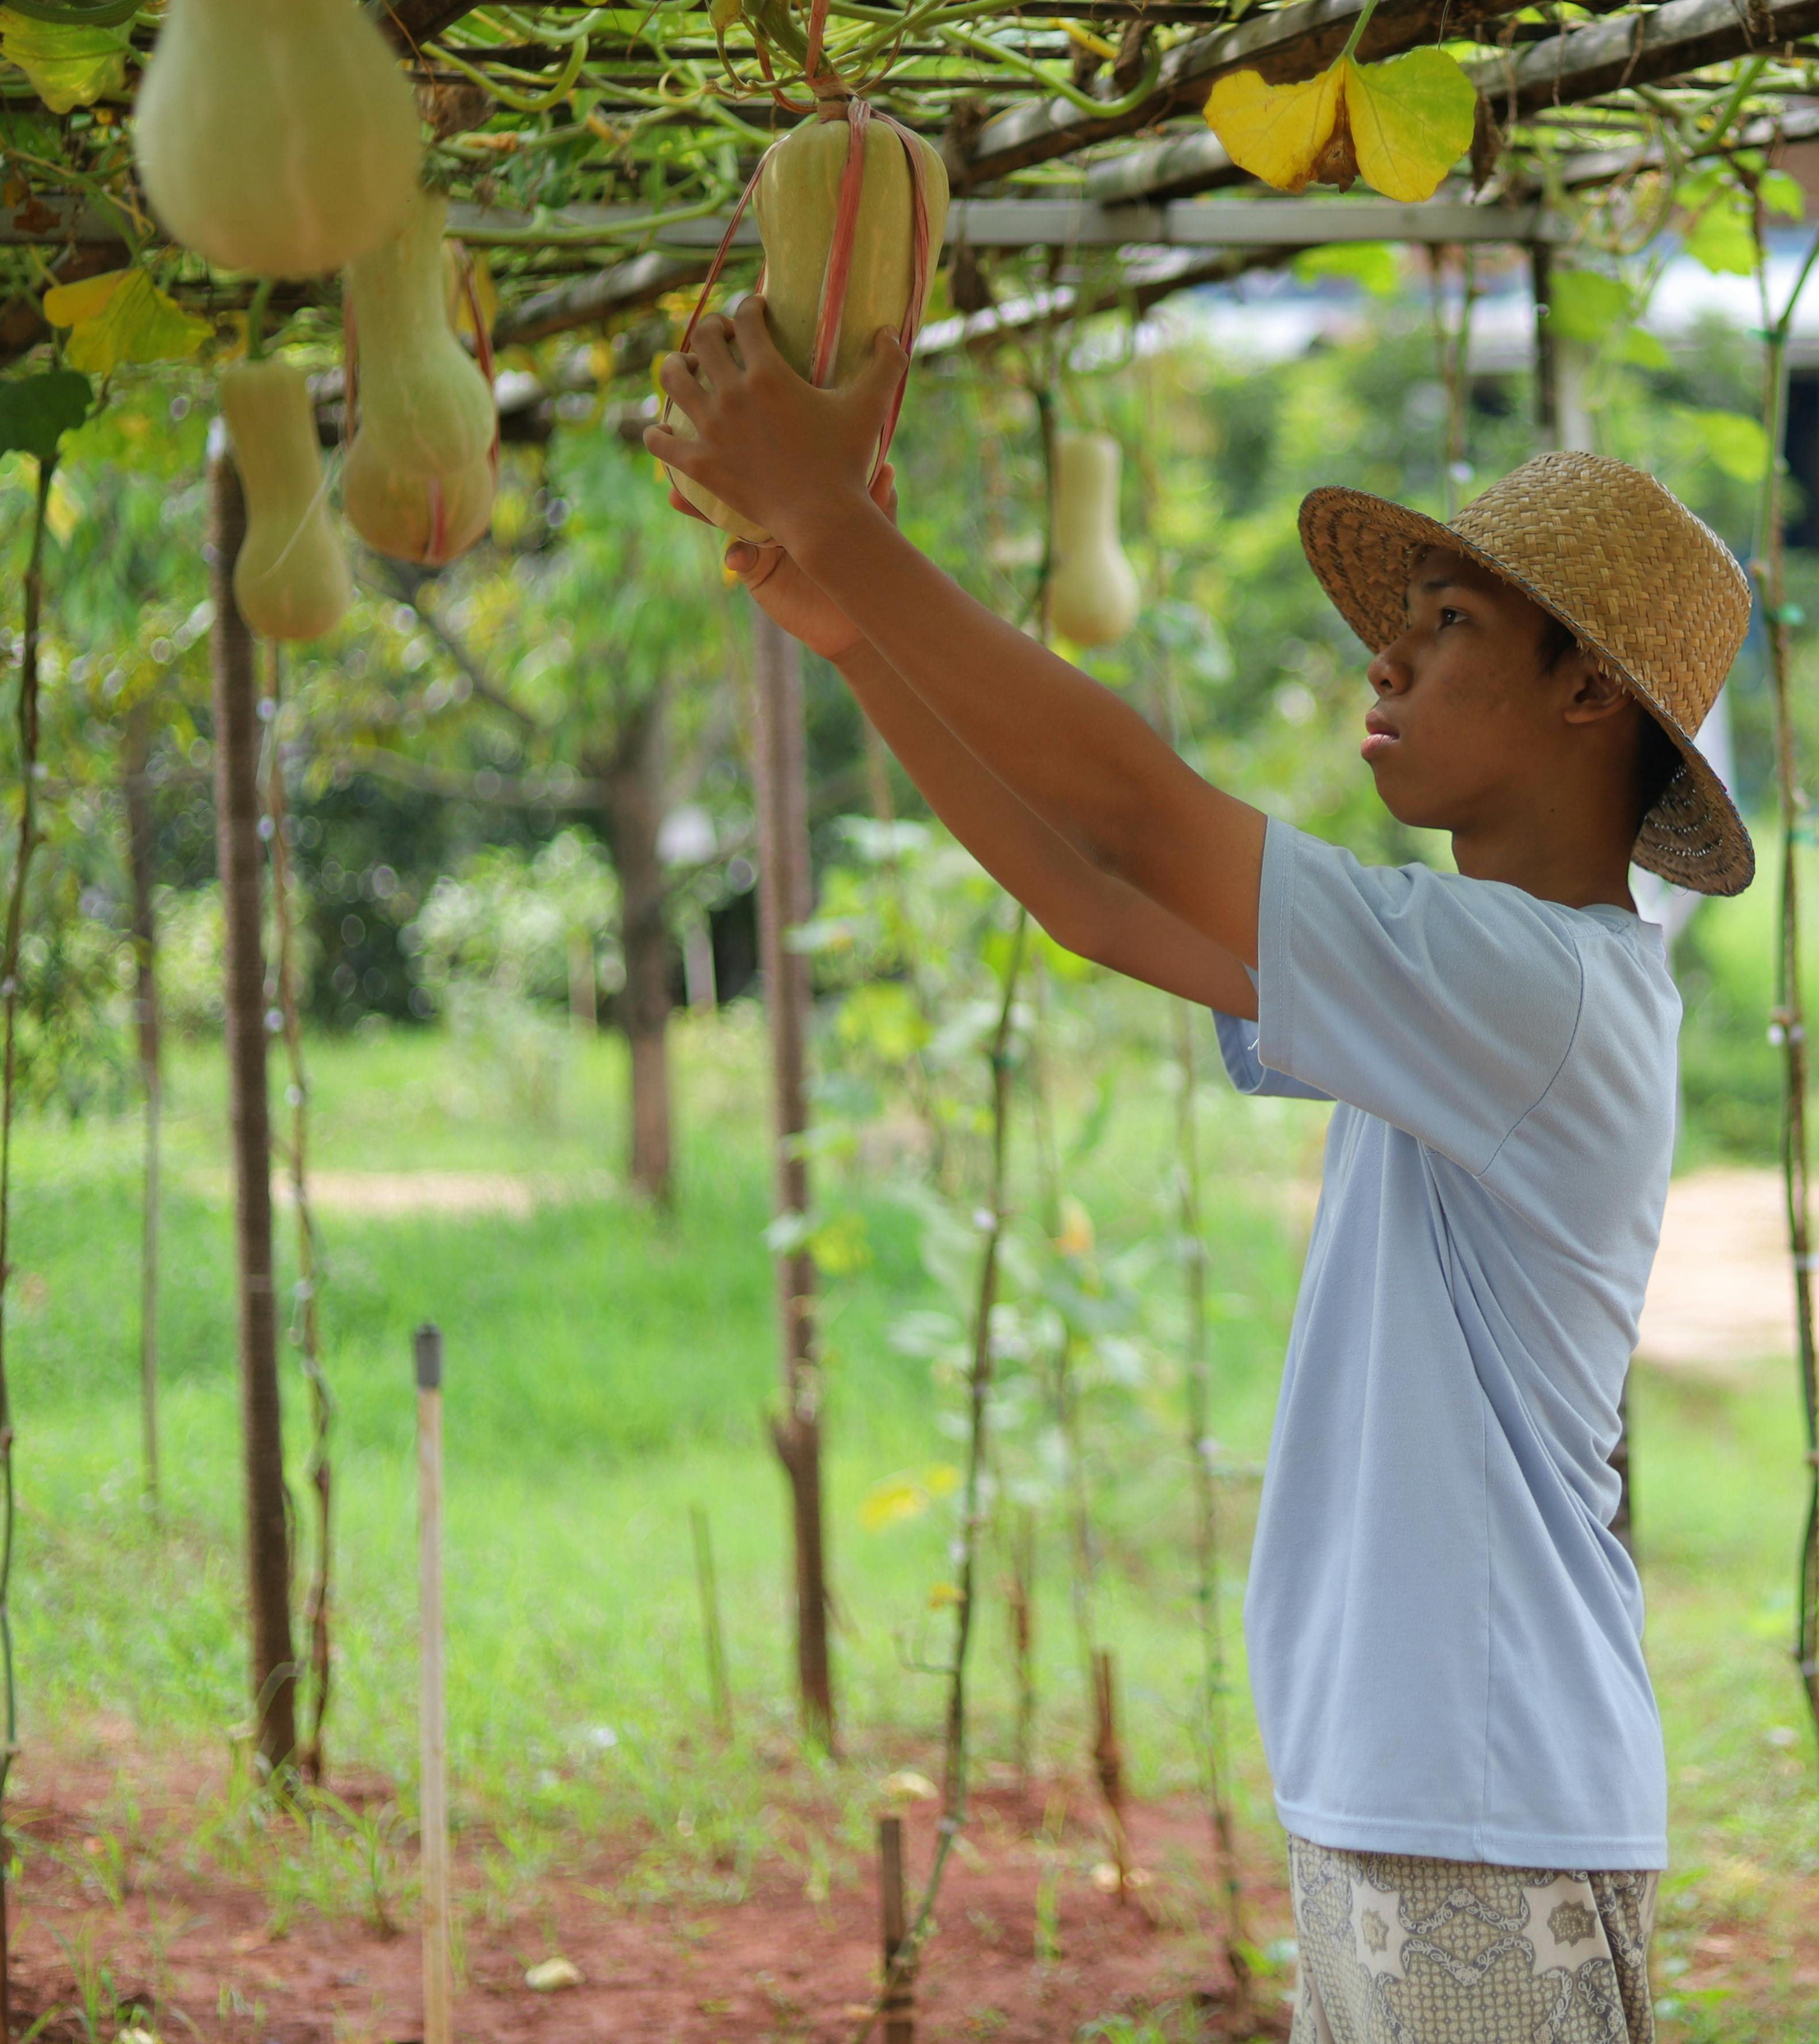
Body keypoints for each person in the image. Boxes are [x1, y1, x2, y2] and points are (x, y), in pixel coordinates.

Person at [647, 296, 1756, 2044]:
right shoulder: (1470, 974)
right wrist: (856, 631)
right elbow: (1096, 901)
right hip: (1418, 1789)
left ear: (1587, 689)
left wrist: (850, 526)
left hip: (1477, 1795)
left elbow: (1140, 819)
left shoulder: (1541, 991)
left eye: (1445, 625)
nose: (1382, 663)